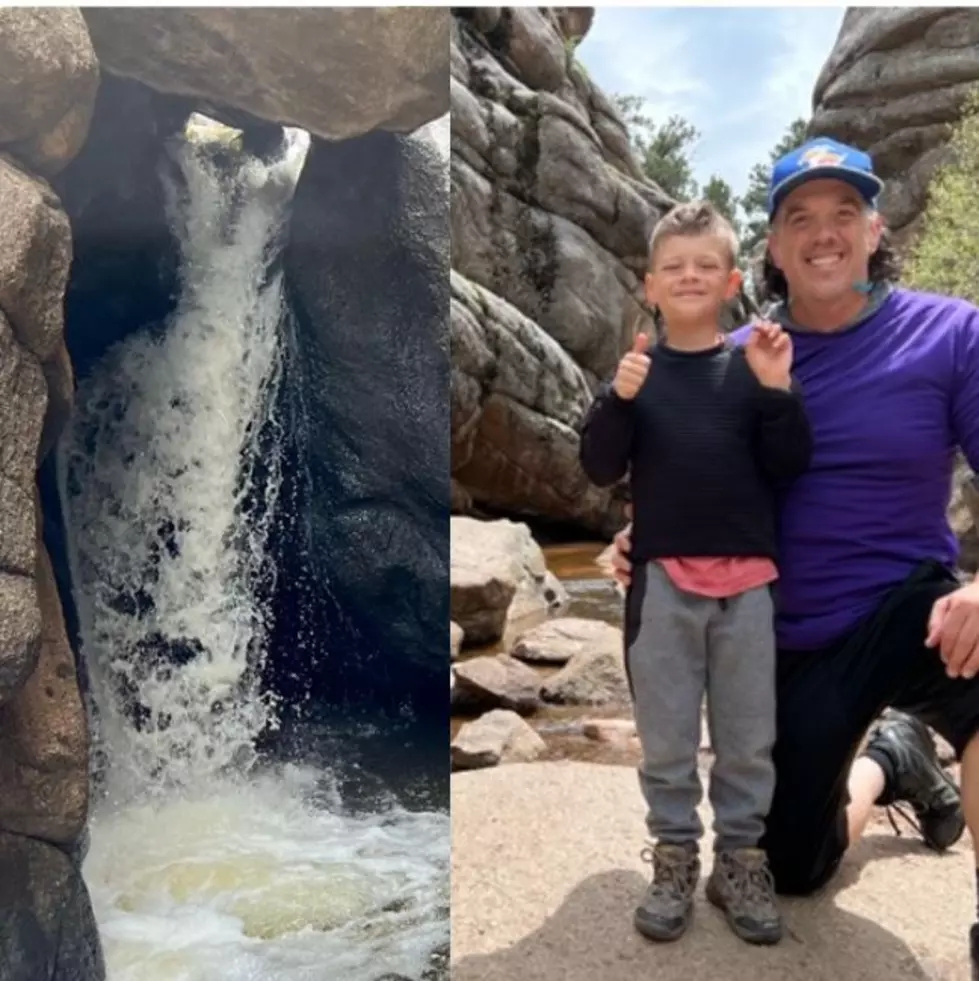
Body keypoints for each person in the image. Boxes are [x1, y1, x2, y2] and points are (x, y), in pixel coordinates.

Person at [602, 135, 979, 967]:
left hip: (903, 607)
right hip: (781, 638)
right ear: (771, 246)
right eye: (799, 217)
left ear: (873, 229)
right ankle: (892, 756)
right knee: (793, 866)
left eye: (844, 213)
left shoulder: (950, 334)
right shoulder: (737, 360)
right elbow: (698, 477)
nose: (823, 233)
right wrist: (648, 538)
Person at [579, 200, 813, 946]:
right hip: (662, 587)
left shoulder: (753, 367)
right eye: (673, 267)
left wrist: (777, 390)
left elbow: (788, 466)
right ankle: (673, 855)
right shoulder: (637, 375)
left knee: (748, 738)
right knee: (668, 736)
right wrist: (616, 396)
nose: (688, 276)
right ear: (649, 285)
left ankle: (739, 859)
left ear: (731, 280)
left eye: (703, 266)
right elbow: (597, 464)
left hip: (746, 587)